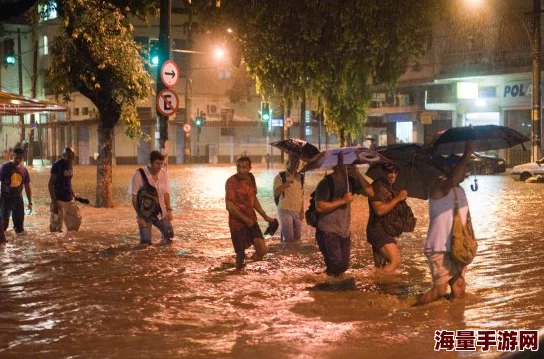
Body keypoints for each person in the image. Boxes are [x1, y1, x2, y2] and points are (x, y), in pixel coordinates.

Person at [417, 141, 475, 305]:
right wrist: (467, 152)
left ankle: (454, 321)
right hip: (439, 247)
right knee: (439, 291)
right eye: (462, 166)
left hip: (457, 247)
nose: (466, 170)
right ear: (450, 169)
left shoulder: (460, 190)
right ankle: (412, 308)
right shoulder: (438, 186)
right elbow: (452, 181)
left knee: (459, 287)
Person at [314, 153, 374, 277]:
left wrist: (357, 173)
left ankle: (325, 284)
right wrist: (343, 201)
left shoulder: (351, 182)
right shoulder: (325, 183)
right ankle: (328, 291)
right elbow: (319, 207)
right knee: (336, 264)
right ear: (336, 165)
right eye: (342, 161)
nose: (346, 164)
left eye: (346, 161)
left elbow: (370, 192)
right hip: (328, 231)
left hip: (344, 231)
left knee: (344, 265)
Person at [225, 156, 276, 269]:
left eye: (244, 167)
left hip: (252, 220)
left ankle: (248, 268)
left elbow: (254, 199)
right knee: (240, 256)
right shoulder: (231, 182)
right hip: (237, 223)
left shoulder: (251, 178)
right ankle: (239, 274)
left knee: (263, 250)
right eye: (239, 167)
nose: (241, 170)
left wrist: (265, 216)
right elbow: (229, 206)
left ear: (250, 168)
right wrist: (245, 219)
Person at [366, 163, 408, 274]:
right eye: (390, 172)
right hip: (378, 230)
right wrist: (398, 198)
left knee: (380, 267)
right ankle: (380, 283)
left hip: (387, 229)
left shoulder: (392, 187)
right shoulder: (377, 187)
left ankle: (379, 288)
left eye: (395, 172)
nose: (393, 175)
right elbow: (379, 210)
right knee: (395, 261)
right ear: (383, 172)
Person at [129, 150, 174, 245]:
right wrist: (140, 216)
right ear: (150, 162)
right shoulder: (138, 175)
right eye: (157, 163)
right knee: (145, 242)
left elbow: (166, 194)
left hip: (161, 212)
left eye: (162, 163)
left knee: (169, 237)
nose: (160, 166)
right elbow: (134, 198)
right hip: (145, 214)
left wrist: (169, 210)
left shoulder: (164, 174)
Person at [49, 147, 82, 232]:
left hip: (69, 198)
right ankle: (56, 244)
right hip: (59, 199)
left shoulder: (70, 164)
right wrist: (54, 202)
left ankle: (69, 242)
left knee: (76, 221)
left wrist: (73, 195)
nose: (71, 159)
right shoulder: (57, 165)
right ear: (63, 155)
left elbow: (68, 181)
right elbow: (50, 184)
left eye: (72, 157)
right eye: (69, 157)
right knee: (56, 227)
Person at [0, 147, 32, 233]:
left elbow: (27, 186)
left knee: (19, 227)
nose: (18, 159)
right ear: (12, 156)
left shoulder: (24, 170)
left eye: (20, 158)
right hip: (5, 198)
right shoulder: (4, 167)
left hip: (18, 199)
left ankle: (19, 244)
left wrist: (30, 202)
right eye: (16, 157)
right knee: (3, 225)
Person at [273, 154, 304, 242]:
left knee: (298, 239)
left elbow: (301, 195)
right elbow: (276, 193)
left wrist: (302, 211)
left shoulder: (301, 177)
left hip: (297, 211)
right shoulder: (280, 176)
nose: (295, 164)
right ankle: (286, 253)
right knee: (289, 239)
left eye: (297, 162)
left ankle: (294, 255)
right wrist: (286, 183)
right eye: (292, 161)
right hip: (285, 209)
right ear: (288, 163)